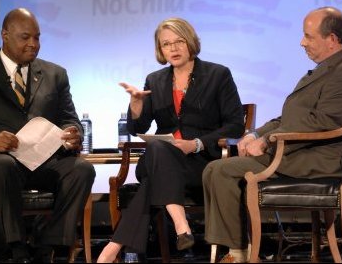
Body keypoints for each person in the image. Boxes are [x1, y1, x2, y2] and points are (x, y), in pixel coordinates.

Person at [203, 6, 342, 263]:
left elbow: (322, 123)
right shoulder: (325, 70)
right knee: (215, 170)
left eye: (308, 36)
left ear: (331, 39)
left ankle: (239, 254)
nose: (302, 42)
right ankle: (239, 250)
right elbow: (287, 118)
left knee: (220, 171)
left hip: (314, 162)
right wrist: (255, 134)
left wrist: (266, 141)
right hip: (294, 154)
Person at [97, 17, 245, 262]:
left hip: (200, 162)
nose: (173, 49)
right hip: (160, 159)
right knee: (158, 148)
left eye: (179, 42)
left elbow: (235, 124)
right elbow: (139, 127)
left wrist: (196, 143)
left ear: (190, 43)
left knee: (151, 177)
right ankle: (181, 224)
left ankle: (113, 247)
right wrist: (136, 105)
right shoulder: (155, 80)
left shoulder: (218, 75)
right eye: (166, 44)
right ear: (160, 49)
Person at [0, 8, 96, 263]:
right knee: (2, 165)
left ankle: (51, 246)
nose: (33, 44)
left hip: (43, 159)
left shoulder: (55, 74)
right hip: (1, 161)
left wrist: (73, 133)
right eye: (25, 37)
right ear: (5, 35)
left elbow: (69, 117)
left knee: (81, 170)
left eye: (37, 37)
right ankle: (17, 249)